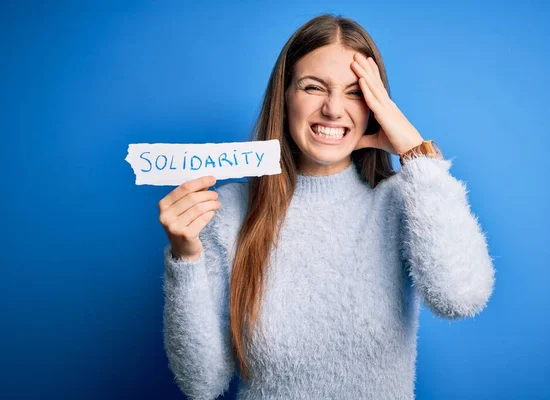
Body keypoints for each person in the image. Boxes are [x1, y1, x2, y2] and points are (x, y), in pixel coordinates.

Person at [158, 13, 496, 400]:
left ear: (375, 106)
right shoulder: (230, 209)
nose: (334, 109)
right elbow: (201, 384)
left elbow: (461, 297)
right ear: (284, 98)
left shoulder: (402, 201)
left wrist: (416, 154)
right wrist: (185, 260)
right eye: (314, 87)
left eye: (355, 92)